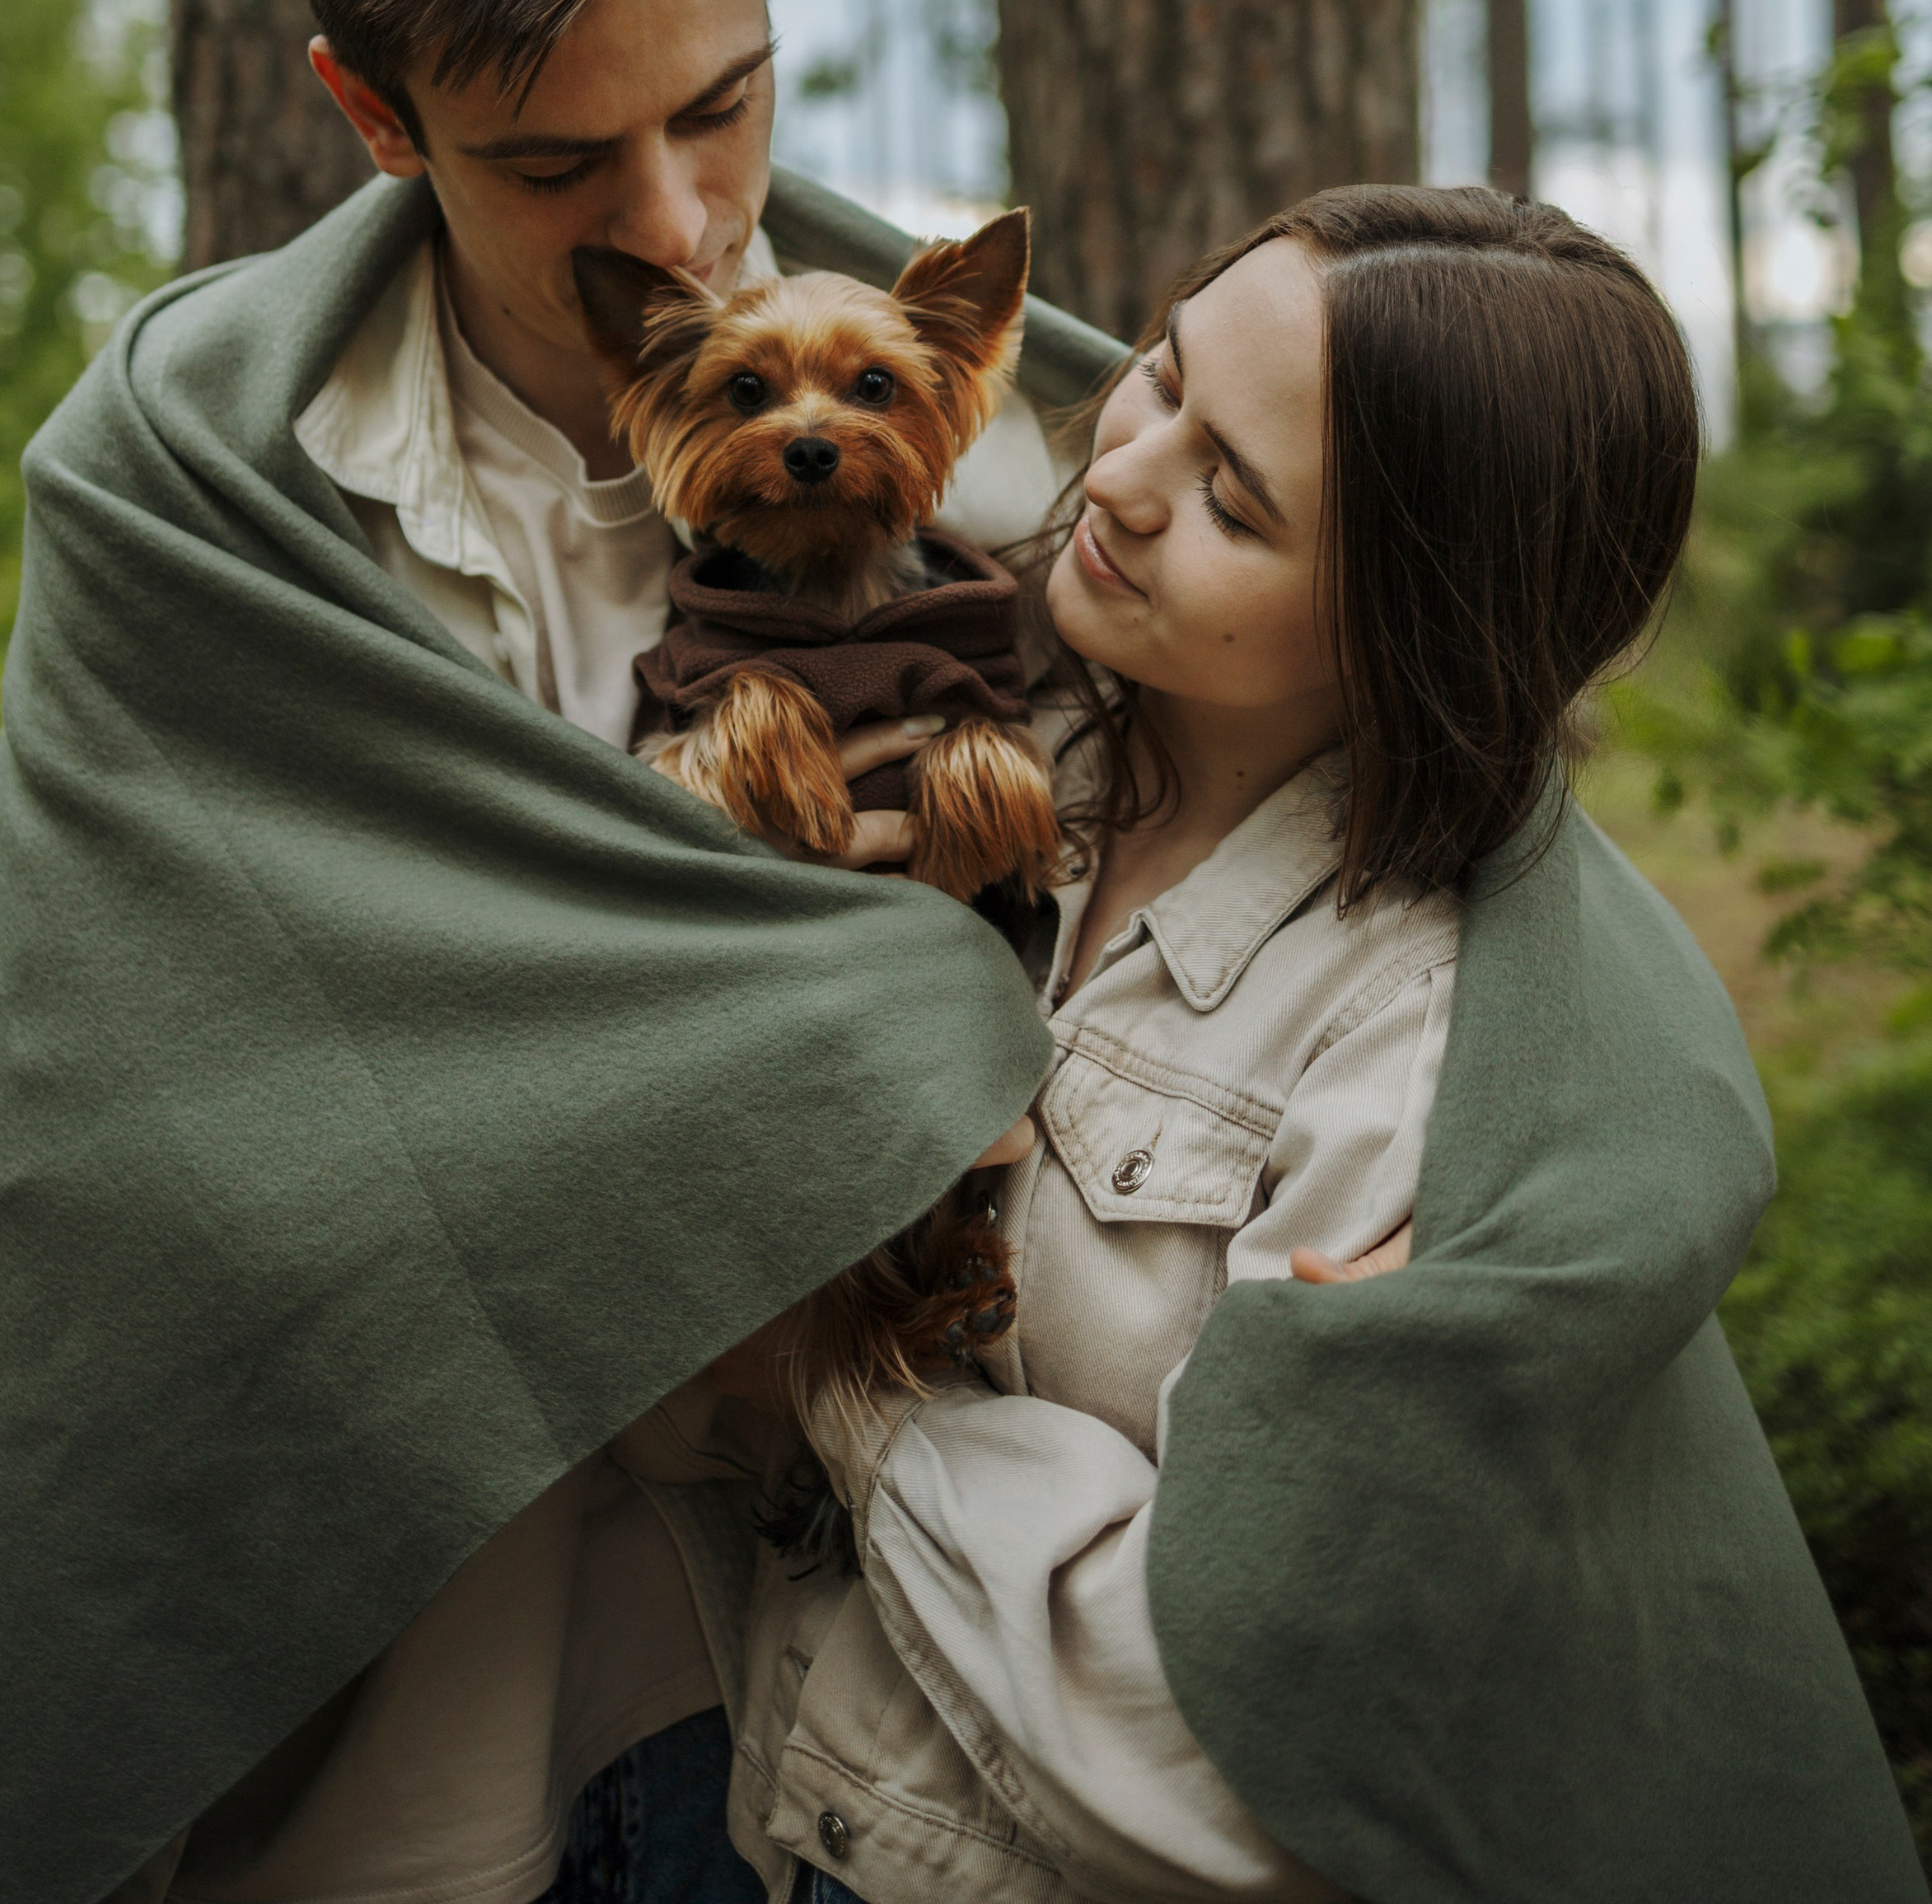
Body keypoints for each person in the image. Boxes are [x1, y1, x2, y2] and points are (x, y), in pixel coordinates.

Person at [0, 0, 1089, 1904]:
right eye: (555, 161)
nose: (688, 220)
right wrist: (837, 1041)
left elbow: (1378, 858)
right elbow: (125, 1143)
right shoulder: (194, 496)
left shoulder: (1033, 454)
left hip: (896, 1705)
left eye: (725, 106)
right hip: (423, 1701)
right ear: (368, 107)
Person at [713, 188, 1925, 1904]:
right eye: (1157, 374)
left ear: (1412, 617)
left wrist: (836, 1380)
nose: (1121, 475)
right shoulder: (958, 717)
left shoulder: (1407, 1047)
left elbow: (1218, 1737)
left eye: (1230, 498)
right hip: (761, 1814)